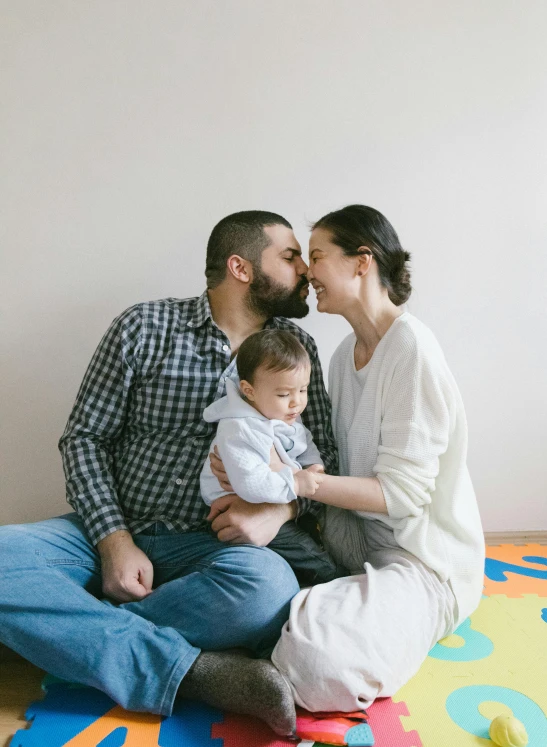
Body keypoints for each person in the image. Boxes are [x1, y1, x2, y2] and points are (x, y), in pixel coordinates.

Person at [0, 210, 338, 737]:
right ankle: (194, 672)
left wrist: (280, 511)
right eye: (290, 256)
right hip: (113, 528)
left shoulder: (297, 349)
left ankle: (72, 632)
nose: (305, 271)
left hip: (213, 548)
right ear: (241, 267)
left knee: (268, 588)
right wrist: (113, 540)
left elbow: (327, 463)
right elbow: (84, 438)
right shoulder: (144, 326)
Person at [211, 204, 485, 715]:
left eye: (316, 256)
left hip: (420, 562)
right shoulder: (339, 358)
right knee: (243, 573)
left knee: (320, 661)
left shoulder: (412, 349)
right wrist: (255, 465)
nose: (307, 272)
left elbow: (398, 494)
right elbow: (314, 455)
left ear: (362, 262)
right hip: (349, 543)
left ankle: (284, 648)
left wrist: (292, 482)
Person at [200, 328, 340, 586]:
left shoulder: (280, 414)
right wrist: (297, 484)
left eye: (303, 390)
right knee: (315, 561)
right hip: (242, 506)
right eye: (285, 394)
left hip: (276, 500)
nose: (296, 403)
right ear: (249, 390)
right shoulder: (239, 427)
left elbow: (303, 439)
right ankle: (334, 587)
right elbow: (252, 486)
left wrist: (314, 464)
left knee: (316, 540)